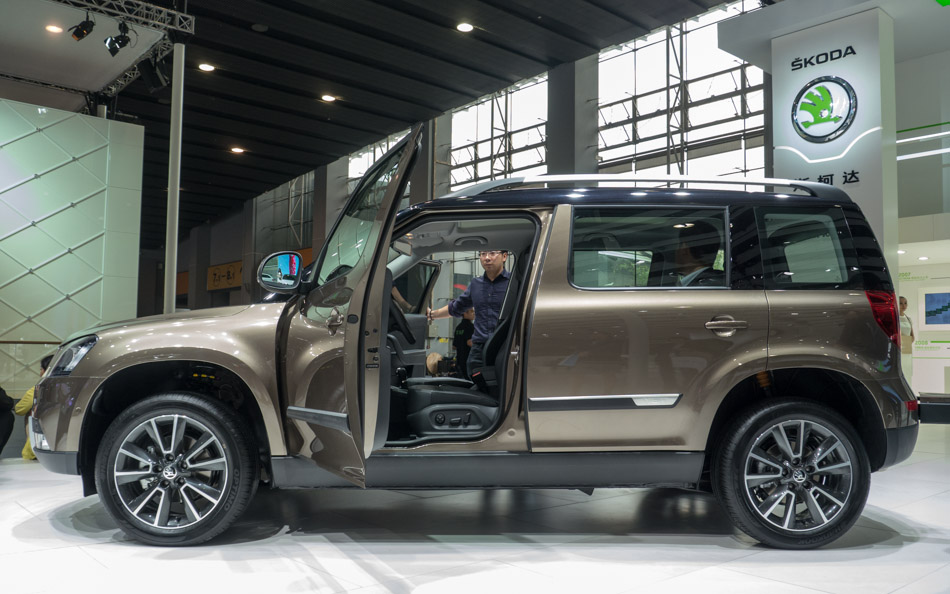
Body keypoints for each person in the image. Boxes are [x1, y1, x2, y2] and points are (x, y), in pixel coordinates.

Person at [427, 250, 510, 378]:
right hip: (478, 350)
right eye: (483, 254)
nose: (487, 258)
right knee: (476, 389)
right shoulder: (476, 284)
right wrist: (432, 314)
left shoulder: (513, 283)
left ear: (504, 256)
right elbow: (456, 307)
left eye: (492, 253)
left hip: (504, 348)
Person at [14, 354, 53, 461]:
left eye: (41, 369)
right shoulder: (68, 389)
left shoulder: (37, 390)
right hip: (60, 445)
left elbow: (19, 410)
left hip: (37, 448)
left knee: (30, 412)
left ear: (45, 371)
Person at [674, 221, 725, 287]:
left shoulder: (701, 288)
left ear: (684, 248)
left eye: (677, 246)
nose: (676, 251)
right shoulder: (719, 282)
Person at [453, 308, 475, 378]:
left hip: (459, 360)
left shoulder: (458, 327)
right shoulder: (471, 327)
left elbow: (454, 346)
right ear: (465, 313)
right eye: (471, 311)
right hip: (468, 359)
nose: (473, 313)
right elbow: (469, 343)